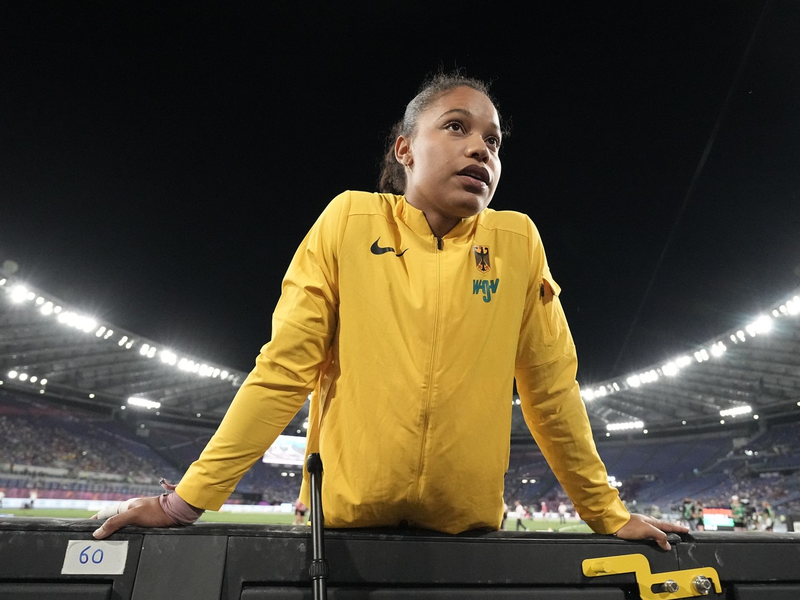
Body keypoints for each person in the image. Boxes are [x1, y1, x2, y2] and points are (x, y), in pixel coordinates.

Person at [91, 71, 686, 550]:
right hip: (342, 535)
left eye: (494, 141)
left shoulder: (517, 241)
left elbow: (552, 390)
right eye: (457, 127)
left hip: (469, 540)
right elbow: (282, 372)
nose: (480, 147)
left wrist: (605, 513)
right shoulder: (348, 221)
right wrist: (184, 503)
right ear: (404, 148)